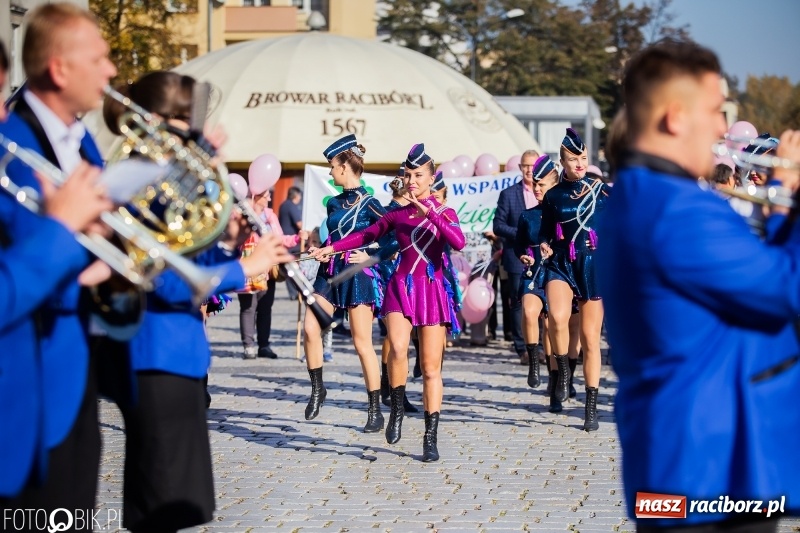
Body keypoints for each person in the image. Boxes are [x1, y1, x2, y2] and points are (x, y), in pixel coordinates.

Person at [596, 39, 800, 532]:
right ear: (673, 117)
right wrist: (791, 194)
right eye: (714, 110)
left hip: (687, 471)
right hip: (708, 476)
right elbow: (786, 292)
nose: (723, 128)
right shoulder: (677, 210)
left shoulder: (641, 197)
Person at [99, 70, 292, 533]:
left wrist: (229, 244)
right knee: (162, 506)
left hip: (181, 355)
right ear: (163, 120)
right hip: (155, 354)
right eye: (191, 121)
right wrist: (243, 269)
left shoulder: (168, 179)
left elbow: (190, 256)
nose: (200, 135)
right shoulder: (136, 179)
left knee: (181, 505)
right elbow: (159, 281)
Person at [0, 3, 117, 516]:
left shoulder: (83, 138)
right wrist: (64, 231)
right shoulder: (15, 141)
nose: (112, 70)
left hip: (73, 374)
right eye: (100, 58)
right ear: (60, 68)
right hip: (21, 384)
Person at [311, 143, 466, 462]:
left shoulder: (445, 212)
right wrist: (334, 248)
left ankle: (430, 436)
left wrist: (432, 213)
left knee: (429, 367)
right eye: (408, 175)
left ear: (431, 176)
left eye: (418, 175)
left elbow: (458, 242)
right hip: (401, 286)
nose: (412, 180)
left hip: (431, 289)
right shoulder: (397, 213)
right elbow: (367, 235)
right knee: (396, 347)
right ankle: (395, 406)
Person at [302, 133, 397, 432]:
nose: (330, 171)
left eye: (332, 165)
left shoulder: (372, 205)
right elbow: (334, 237)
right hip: (329, 272)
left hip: (358, 275)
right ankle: (318, 388)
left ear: (344, 166)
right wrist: (320, 250)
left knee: (361, 343)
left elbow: (392, 241)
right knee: (310, 327)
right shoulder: (332, 203)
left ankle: (374, 409)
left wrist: (368, 255)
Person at [539, 128, 610, 432]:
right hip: (561, 263)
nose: (580, 163)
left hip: (593, 265)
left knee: (591, 340)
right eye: (573, 158)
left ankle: (590, 405)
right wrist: (543, 243)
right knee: (556, 317)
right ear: (562, 161)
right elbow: (545, 230)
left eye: (583, 157)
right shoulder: (553, 195)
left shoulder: (601, 189)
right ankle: (564, 369)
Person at [238, 187, 306, 359]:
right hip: (248, 266)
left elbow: (279, 238)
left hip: (268, 268)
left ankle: (264, 345)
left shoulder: (270, 215)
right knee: (248, 307)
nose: (269, 198)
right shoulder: (242, 213)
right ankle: (248, 346)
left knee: (265, 307)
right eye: (266, 195)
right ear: (257, 196)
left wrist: (297, 238)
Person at [513, 155, 558, 393]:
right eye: (535, 184)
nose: (537, 188)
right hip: (533, 273)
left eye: (542, 184)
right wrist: (522, 255)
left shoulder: (564, 215)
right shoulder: (527, 215)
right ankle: (533, 360)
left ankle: (555, 375)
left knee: (552, 327)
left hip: (557, 273)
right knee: (530, 314)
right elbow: (518, 244)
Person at [494, 149, 539, 364]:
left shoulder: (547, 192)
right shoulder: (509, 194)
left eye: (533, 165)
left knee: (541, 301)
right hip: (515, 255)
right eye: (526, 166)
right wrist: (522, 234)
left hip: (542, 257)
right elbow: (498, 225)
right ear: (520, 168)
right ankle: (522, 348)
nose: (530, 170)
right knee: (518, 302)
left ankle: (540, 346)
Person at [279, 186, 303, 300]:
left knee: (289, 268)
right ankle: (296, 292)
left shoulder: (283, 205)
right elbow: (299, 224)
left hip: (284, 240)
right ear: (296, 195)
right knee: (295, 268)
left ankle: (293, 292)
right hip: (292, 241)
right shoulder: (291, 206)